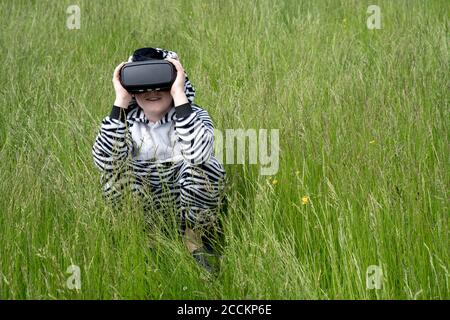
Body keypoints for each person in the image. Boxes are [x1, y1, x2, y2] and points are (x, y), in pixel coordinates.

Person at [92, 47, 227, 272]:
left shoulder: (193, 115)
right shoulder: (124, 120)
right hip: (143, 207)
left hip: (185, 206)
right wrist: (120, 102)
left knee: (207, 165)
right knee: (113, 173)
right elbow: (106, 163)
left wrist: (179, 95)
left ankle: (194, 240)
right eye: (142, 83)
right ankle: (148, 241)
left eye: (161, 81)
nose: (152, 90)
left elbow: (200, 155)